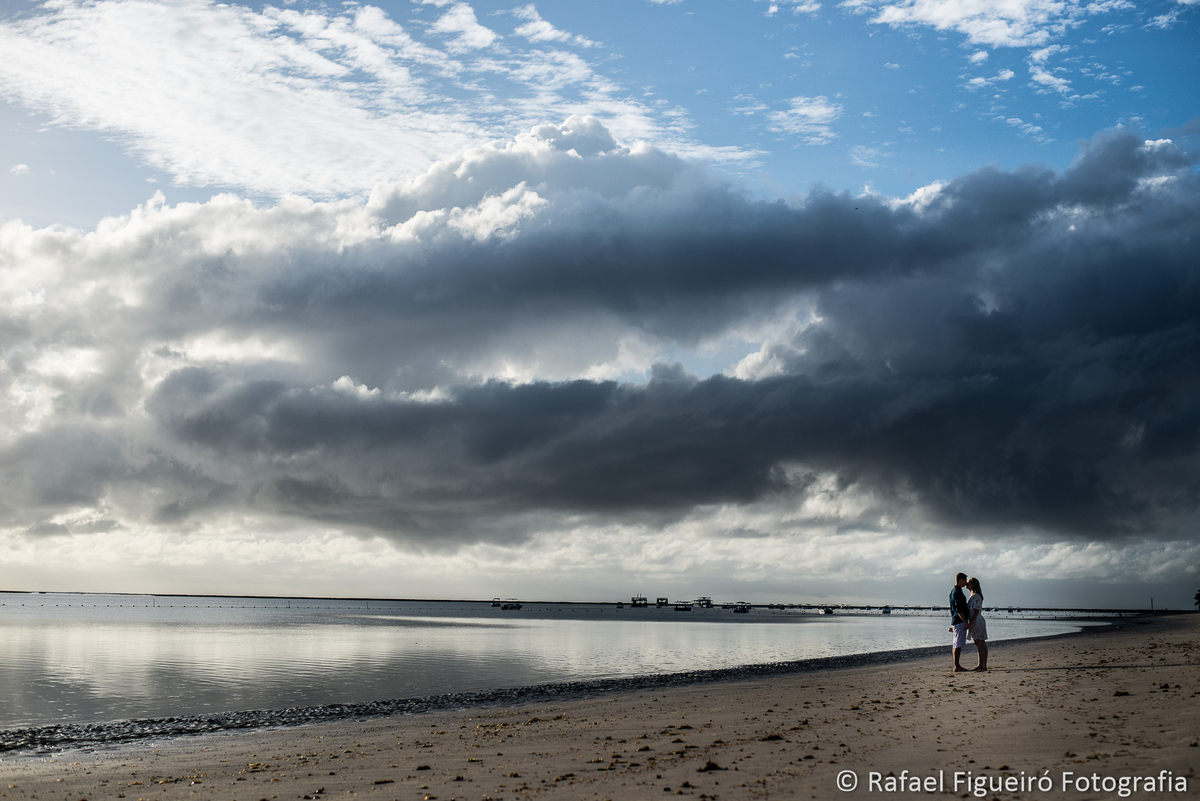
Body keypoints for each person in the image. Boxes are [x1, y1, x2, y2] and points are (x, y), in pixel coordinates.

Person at [966, 577, 988, 671]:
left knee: (980, 643)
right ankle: (982, 664)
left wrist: (970, 623)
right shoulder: (973, 595)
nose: (967, 583)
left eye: (969, 582)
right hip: (976, 621)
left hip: (977, 621)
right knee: (979, 642)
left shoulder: (976, 596)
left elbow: (975, 611)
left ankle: (982, 664)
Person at [949, 572, 969, 672]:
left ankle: (957, 665)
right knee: (958, 644)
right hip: (959, 621)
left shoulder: (953, 591)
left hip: (955, 620)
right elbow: (959, 608)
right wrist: (965, 621)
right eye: (965, 581)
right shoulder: (957, 592)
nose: (966, 583)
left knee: (956, 643)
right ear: (960, 580)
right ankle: (957, 666)